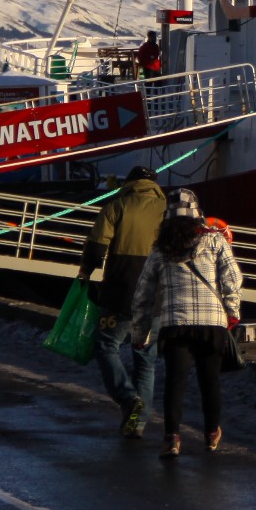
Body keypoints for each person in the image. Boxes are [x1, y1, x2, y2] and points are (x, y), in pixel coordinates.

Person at [132, 189, 242, 458]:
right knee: (210, 381)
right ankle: (211, 434)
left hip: (175, 324)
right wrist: (231, 311)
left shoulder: (161, 249)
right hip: (211, 324)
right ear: (197, 215)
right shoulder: (215, 241)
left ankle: (171, 438)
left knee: (175, 382)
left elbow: (143, 294)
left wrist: (140, 332)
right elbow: (233, 278)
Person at [79, 165, 167, 436]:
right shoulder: (166, 210)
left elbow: (96, 245)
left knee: (106, 346)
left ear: (129, 182)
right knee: (145, 358)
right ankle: (137, 425)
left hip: (120, 290)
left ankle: (129, 399)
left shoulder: (117, 205)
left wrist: (85, 272)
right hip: (155, 295)